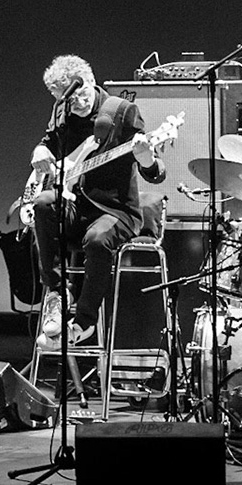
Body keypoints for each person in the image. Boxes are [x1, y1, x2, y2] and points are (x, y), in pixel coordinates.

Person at [25, 55, 170, 346]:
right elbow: (48, 143)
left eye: (80, 94)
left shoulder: (122, 112)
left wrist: (146, 157)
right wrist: (39, 152)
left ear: (91, 81)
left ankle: (84, 322)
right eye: (67, 98)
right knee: (43, 204)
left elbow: (156, 173)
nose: (75, 102)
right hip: (77, 206)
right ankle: (56, 292)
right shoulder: (62, 110)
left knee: (97, 237)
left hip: (116, 211)